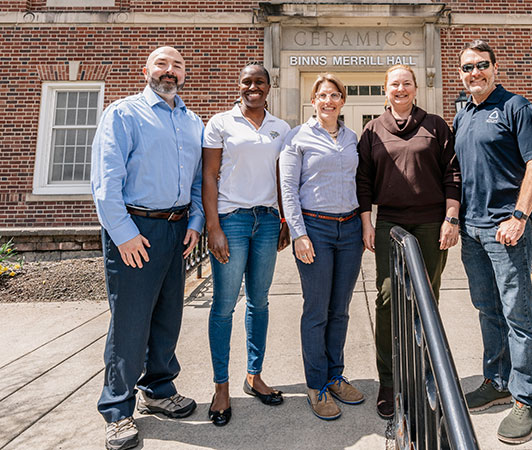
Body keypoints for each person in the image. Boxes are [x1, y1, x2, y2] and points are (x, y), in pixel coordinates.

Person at [91, 46, 204, 450]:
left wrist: (195, 222)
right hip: (135, 229)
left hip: (176, 231)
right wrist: (122, 233)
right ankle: (118, 411)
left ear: (184, 74)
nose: (169, 71)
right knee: (131, 321)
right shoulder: (123, 114)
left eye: (177, 65)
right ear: (147, 70)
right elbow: (106, 179)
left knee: (167, 316)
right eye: (162, 64)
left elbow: (196, 182)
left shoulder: (192, 122)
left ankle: (158, 389)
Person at [453, 39, 532, 444]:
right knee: (487, 310)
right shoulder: (463, 114)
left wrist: (519, 216)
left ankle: (527, 400)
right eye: (468, 68)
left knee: (518, 315)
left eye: (482, 65)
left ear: (495, 68)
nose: (474, 73)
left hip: (505, 230)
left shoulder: (515, 107)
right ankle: (496, 382)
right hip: (472, 231)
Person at [356, 64, 462, 420]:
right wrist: (367, 223)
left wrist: (451, 217)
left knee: (427, 299)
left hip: (432, 223)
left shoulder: (435, 126)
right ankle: (388, 380)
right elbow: (364, 181)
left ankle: (426, 371)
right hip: (389, 222)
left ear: (416, 88)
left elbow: (452, 174)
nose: (400, 89)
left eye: (406, 83)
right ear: (385, 90)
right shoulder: (372, 130)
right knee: (387, 297)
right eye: (394, 84)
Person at [202, 63, 291, 427]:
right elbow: (208, 174)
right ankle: (221, 386)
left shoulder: (280, 128)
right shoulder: (220, 123)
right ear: (239, 86)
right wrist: (213, 226)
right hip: (232, 220)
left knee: (260, 301)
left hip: (268, 221)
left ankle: (254, 376)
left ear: (269, 87)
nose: (253, 87)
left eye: (260, 82)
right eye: (247, 82)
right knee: (224, 306)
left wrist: (285, 219)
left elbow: (282, 176)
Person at [279, 73, 365, 421]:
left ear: (342, 101)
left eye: (335, 95)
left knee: (340, 309)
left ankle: (335, 374)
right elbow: (288, 189)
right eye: (322, 95)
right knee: (316, 310)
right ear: (313, 100)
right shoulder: (296, 137)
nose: (328, 101)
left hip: (350, 229)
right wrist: (299, 234)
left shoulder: (352, 137)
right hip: (315, 229)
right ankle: (316, 385)